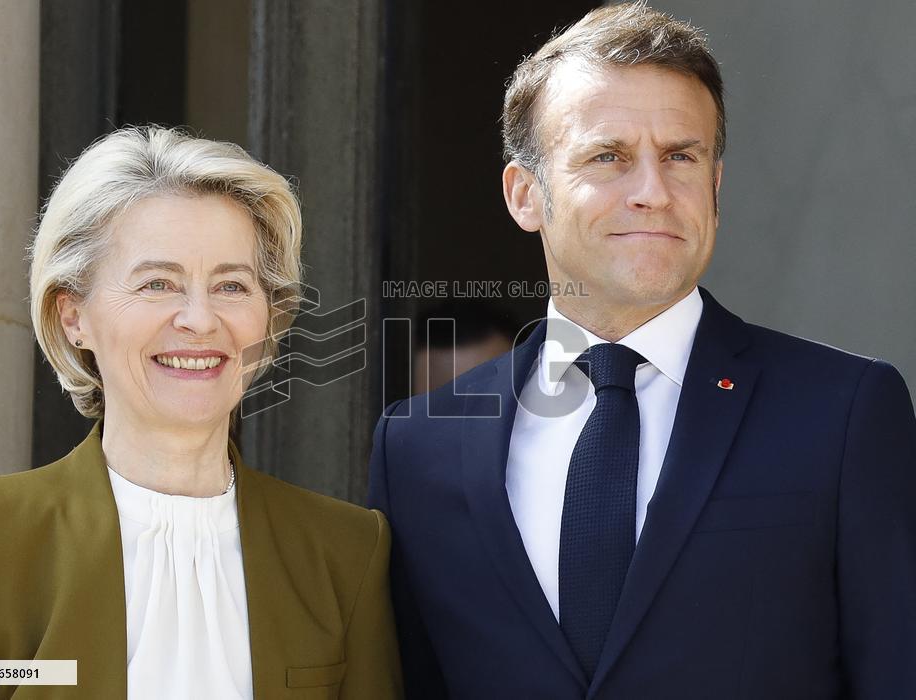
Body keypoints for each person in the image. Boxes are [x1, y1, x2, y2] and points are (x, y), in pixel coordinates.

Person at [368, 3, 916, 698]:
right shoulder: (419, 449)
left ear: (714, 187)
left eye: (681, 156)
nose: (653, 193)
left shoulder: (845, 415)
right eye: (609, 157)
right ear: (525, 194)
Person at [0, 126, 402, 699]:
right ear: (73, 316)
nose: (199, 319)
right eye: (157, 283)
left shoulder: (345, 553)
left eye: (231, 286)